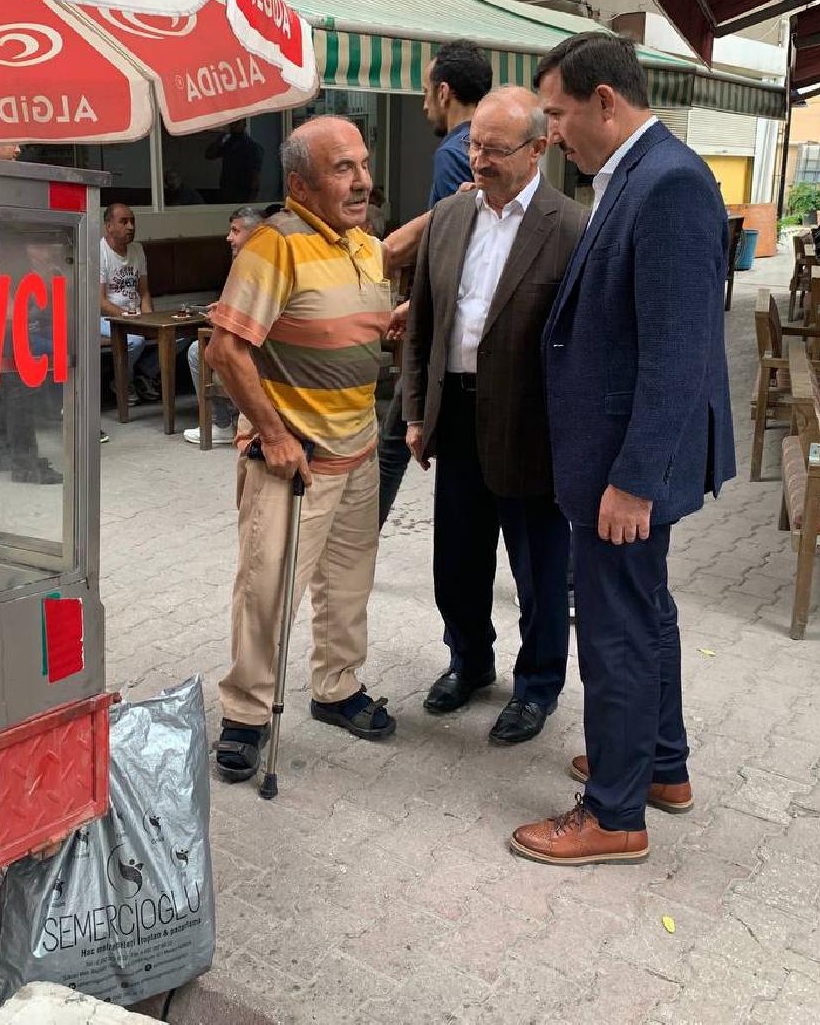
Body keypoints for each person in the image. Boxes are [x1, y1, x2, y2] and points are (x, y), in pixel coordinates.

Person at [512, 33, 735, 865]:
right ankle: (659, 765)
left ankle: (613, 812)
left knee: (616, 628)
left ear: (606, 101)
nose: (552, 133)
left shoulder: (668, 183)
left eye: (559, 114)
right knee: (645, 611)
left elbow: (678, 352)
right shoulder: (634, 173)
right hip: (614, 456)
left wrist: (634, 480)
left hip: (624, 466)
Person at [206, 117, 396, 783]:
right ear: (300, 184)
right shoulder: (273, 244)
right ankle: (246, 713)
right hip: (295, 461)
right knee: (268, 590)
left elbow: (356, 319)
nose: (362, 181)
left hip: (359, 451)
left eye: (363, 165)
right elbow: (226, 350)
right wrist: (276, 434)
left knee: (347, 586)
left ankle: (336, 688)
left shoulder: (364, 245)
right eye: (343, 168)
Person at [402, 87, 586, 745]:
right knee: (456, 560)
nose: (478, 159)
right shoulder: (450, 216)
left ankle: (537, 686)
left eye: (495, 149)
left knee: (539, 571)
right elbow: (423, 322)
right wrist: (416, 413)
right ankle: (469, 661)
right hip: (455, 413)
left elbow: (584, 344)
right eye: (474, 144)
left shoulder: (571, 227)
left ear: (538, 149)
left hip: (532, 428)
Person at [379, 40, 494, 529]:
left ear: (444, 92)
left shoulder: (454, 151)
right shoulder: (481, 145)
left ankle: (358, 542)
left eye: (426, 91)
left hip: (448, 328)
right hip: (466, 323)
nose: (424, 103)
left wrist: (419, 306)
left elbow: (455, 243)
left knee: (392, 443)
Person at [183, 207, 263, 445]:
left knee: (198, 351)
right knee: (200, 349)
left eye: (235, 231)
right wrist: (224, 308)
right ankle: (229, 420)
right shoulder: (243, 260)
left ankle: (223, 423)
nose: (229, 237)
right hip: (247, 334)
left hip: (262, 342)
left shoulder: (264, 263)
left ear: (255, 233)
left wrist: (224, 317)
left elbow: (261, 311)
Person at [99, 203, 162, 402]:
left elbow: (144, 292)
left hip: (135, 315)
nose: (131, 227)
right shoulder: (99, 252)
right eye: (124, 222)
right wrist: (127, 317)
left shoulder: (137, 249)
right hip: (106, 318)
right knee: (135, 340)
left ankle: (145, 372)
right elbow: (99, 301)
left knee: (177, 333)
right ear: (109, 226)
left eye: (132, 221)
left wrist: (150, 320)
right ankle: (122, 381)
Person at [206, 120, 264, 204]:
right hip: (226, 189)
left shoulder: (251, 145)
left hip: (243, 191)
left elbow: (255, 174)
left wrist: (252, 198)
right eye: (232, 123)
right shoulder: (228, 143)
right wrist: (220, 139)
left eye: (237, 123)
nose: (233, 126)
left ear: (244, 124)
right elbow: (209, 155)